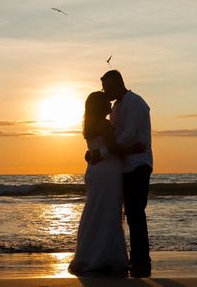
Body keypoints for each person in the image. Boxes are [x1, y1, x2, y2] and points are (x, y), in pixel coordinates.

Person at [68, 91, 129, 275]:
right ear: (101, 106)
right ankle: (105, 257)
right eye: (106, 102)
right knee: (109, 212)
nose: (110, 104)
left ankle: (89, 254)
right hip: (108, 171)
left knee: (95, 211)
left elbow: (96, 149)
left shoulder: (89, 126)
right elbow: (113, 148)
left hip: (95, 172)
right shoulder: (104, 124)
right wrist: (132, 148)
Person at [101, 70, 153, 277]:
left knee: (136, 212)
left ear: (118, 83)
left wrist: (107, 151)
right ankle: (136, 256)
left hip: (139, 164)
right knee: (130, 213)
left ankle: (142, 259)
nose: (105, 92)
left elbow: (128, 136)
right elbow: (117, 135)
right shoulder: (116, 106)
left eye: (107, 88)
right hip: (125, 165)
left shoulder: (136, 102)